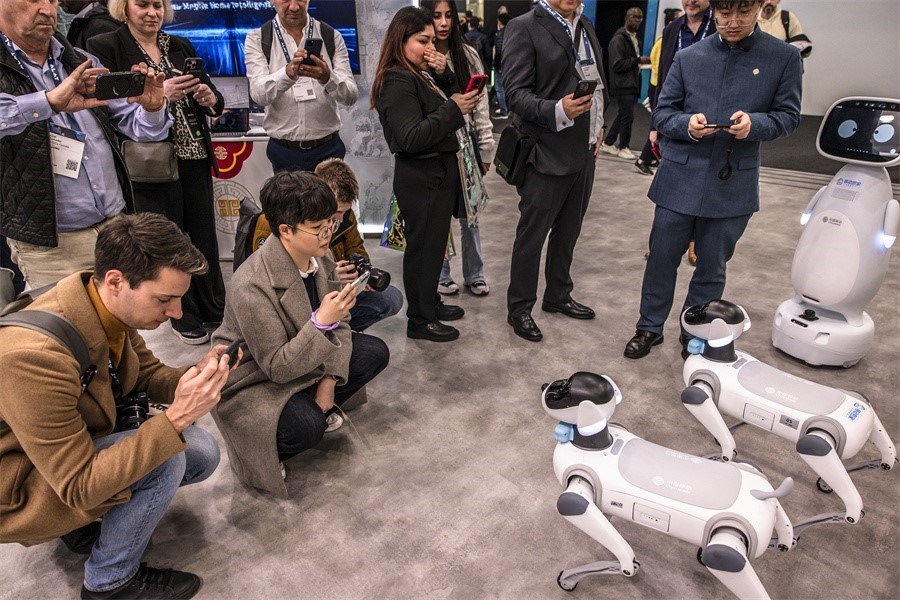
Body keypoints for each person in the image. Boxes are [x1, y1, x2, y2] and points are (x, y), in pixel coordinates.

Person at [0, 213, 234, 600]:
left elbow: (144, 375)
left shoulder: (102, 306)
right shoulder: (34, 358)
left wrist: (197, 374)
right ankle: (108, 584)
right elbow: (78, 486)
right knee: (167, 458)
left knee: (200, 451)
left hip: (55, 454)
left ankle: (80, 529)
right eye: (164, 299)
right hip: (18, 485)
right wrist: (176, 417)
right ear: (115, 281)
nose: (177, 313)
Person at [623, 0, 802, 360]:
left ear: (757, 9)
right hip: (679, 176)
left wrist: (755, 125)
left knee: (712, 266)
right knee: (661, 260)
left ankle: (694, 332)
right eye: (724, 14)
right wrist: (687, 125)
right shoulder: (689, 56)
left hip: (733, 179)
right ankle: (649, 327)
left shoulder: (783, 57)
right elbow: (663, 112)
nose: (732, 22)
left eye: (743, 13)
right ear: (715, 11)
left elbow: (788, 115)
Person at [211, 171, 390, 497]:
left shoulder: (320, 256)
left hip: (304, 356)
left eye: (330, 223)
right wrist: (321, 322)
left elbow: (343, 325)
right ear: (285, 230)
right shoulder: (250, 285)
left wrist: (329, 381)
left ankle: (312, 401)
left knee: (374, 352)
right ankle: (267, 449)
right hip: (256, 376)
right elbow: (276, 367)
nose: (328, 234)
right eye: (318, 227)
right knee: (307, 427)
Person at [0, 0, 171, 290]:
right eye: (33, 0)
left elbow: (143, 130)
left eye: (52, 0)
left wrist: (152, 108)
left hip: (114, 228)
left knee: (122, 316)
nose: (47, 10)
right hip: (51, 244)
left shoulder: (79, 59)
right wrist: (49, 102)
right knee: (63, 318)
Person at [87, 0, 226, 345]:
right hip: (149, 161)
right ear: (124, 8)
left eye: (158, 5)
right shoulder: (106, 46)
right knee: (167, 241)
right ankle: (182, 314)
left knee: (203, 235)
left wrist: (210, 98)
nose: (152, 13)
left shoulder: (179, 45)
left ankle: (212, 305)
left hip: (193, 154)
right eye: (143, 5)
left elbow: (212, 94)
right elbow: (106, 105)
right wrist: (160, 95)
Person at [372, 7, 482, 342]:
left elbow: (452, 101)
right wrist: (453, 109)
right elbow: (410, 138)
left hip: (436, 173)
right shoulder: (397, 79)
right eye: (423, 41)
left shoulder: (419, 73)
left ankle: (429, 303)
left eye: (433, 40)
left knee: (434, 249)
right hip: (421, 177)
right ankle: (420, 320)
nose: (431, 48)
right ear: (401, 40)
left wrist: (446, 75)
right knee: (422, 251)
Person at [502, 0, 609, 342]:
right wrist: (557, 109)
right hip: (546, 152)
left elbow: (596, 80)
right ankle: (520, 308)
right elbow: (515, 95)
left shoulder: (585, 24)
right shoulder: (524, 26)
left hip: (585, 149)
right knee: (532, 237)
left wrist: (599, 125)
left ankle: (558, 294)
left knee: (568, 232)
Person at [423, 0, 496, 298]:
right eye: (436, 16)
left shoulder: (467, 55)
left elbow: (481, 106)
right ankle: (441, 274)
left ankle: (475, 274)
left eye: (448, 16)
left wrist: (486, 148)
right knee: (437, 215)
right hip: (431, 146)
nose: (443, 23)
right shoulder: (418, 55)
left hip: (465, 144)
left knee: (470, 215)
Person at [245, 0, 358, 173]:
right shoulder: (258, 39)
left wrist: (327, 77)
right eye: (286, 0)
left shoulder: (331, 36)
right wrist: (287, 74)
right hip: (283, 152)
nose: (294, 7)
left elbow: (350, 96)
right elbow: (259, 95)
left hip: (328, 151)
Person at [315, 157, 404, 331]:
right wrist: (328, 276)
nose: (340, 218)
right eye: (337, 211)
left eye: (345, 211)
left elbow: (356, 248)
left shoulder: (346, 218)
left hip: (342, 290)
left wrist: (362, 274)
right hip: (313, 301)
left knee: (393, 298)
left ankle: (343, 330)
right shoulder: (302, 224)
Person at [633, 6, 683, 176]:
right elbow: (663, 68)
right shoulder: (665, 41)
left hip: (659, 87)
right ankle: (643, 159)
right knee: (659, 125)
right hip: (658, 88)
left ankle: (651, 157)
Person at [598, 7, 650, 160]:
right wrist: (638, 60)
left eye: (640, 17)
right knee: (628, 116)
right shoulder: (619, 39)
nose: (637, 20)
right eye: (634, 17)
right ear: (626, 18)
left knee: (623, 114)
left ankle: (608, 142)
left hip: (631, 83)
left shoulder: (635, 39)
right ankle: (623, 146)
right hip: (622, 84)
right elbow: (617, 64)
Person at [491, 12, 511, 119]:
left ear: (499, 22)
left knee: (499, 88)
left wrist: (496, 65)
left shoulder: (500, 34)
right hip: (510, 65)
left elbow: (499, 51)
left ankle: (504, 111)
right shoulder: (512, 32)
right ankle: (507, 108)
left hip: (501, 65)